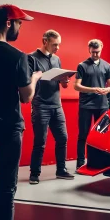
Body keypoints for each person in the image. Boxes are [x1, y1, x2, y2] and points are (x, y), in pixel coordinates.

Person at [0, 4, 41, 220]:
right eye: (20, 23)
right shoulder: (17, 57)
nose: (21, 27)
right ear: (9, 23)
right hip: (9, 128)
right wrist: (34, 78)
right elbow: (26, 97)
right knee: (5, 190)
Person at [28, 30, 74, 184]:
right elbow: (28, 82)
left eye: (59, 44)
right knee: (40, 141)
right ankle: (34, 173)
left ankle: (61, 170)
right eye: (55, 44)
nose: (58, 48)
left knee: (63, 138)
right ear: (45, 41)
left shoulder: (57, 59)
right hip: (41, 105)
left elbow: (61, 83)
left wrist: (64, 82)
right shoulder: (31, 58)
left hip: (57, 105)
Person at [74, 39, 110, 170]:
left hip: (102, 105)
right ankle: (80, 163)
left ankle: (101, 162)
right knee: (83, 135)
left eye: (98, 52)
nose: (96, 55)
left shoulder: (107, 66)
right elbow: (76, 86)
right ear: (89, 50)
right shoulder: (82, 65)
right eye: (93, 52)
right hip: (86, 105)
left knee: (102, 135)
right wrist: (93, 89)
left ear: (102, 48)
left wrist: (107, 89)